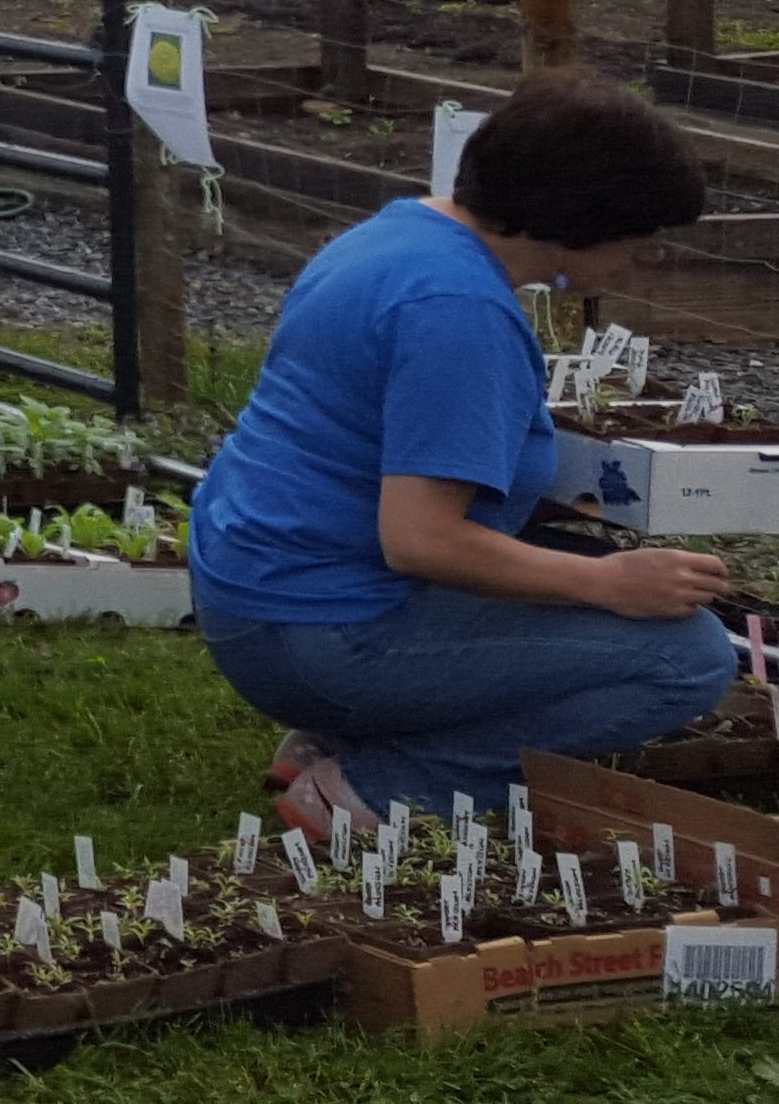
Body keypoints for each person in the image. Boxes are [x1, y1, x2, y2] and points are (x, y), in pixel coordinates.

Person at [189, 72, 734, 830]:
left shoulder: (399, 235)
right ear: (576, 222)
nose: (646, 258)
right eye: (641, 239)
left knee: (551, 569)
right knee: (691, 657)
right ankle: (378, 790)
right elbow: (422, 540)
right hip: (323, 631)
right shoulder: (459, 312)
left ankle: (335, 736)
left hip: (255, 594)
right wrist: (606, 582)